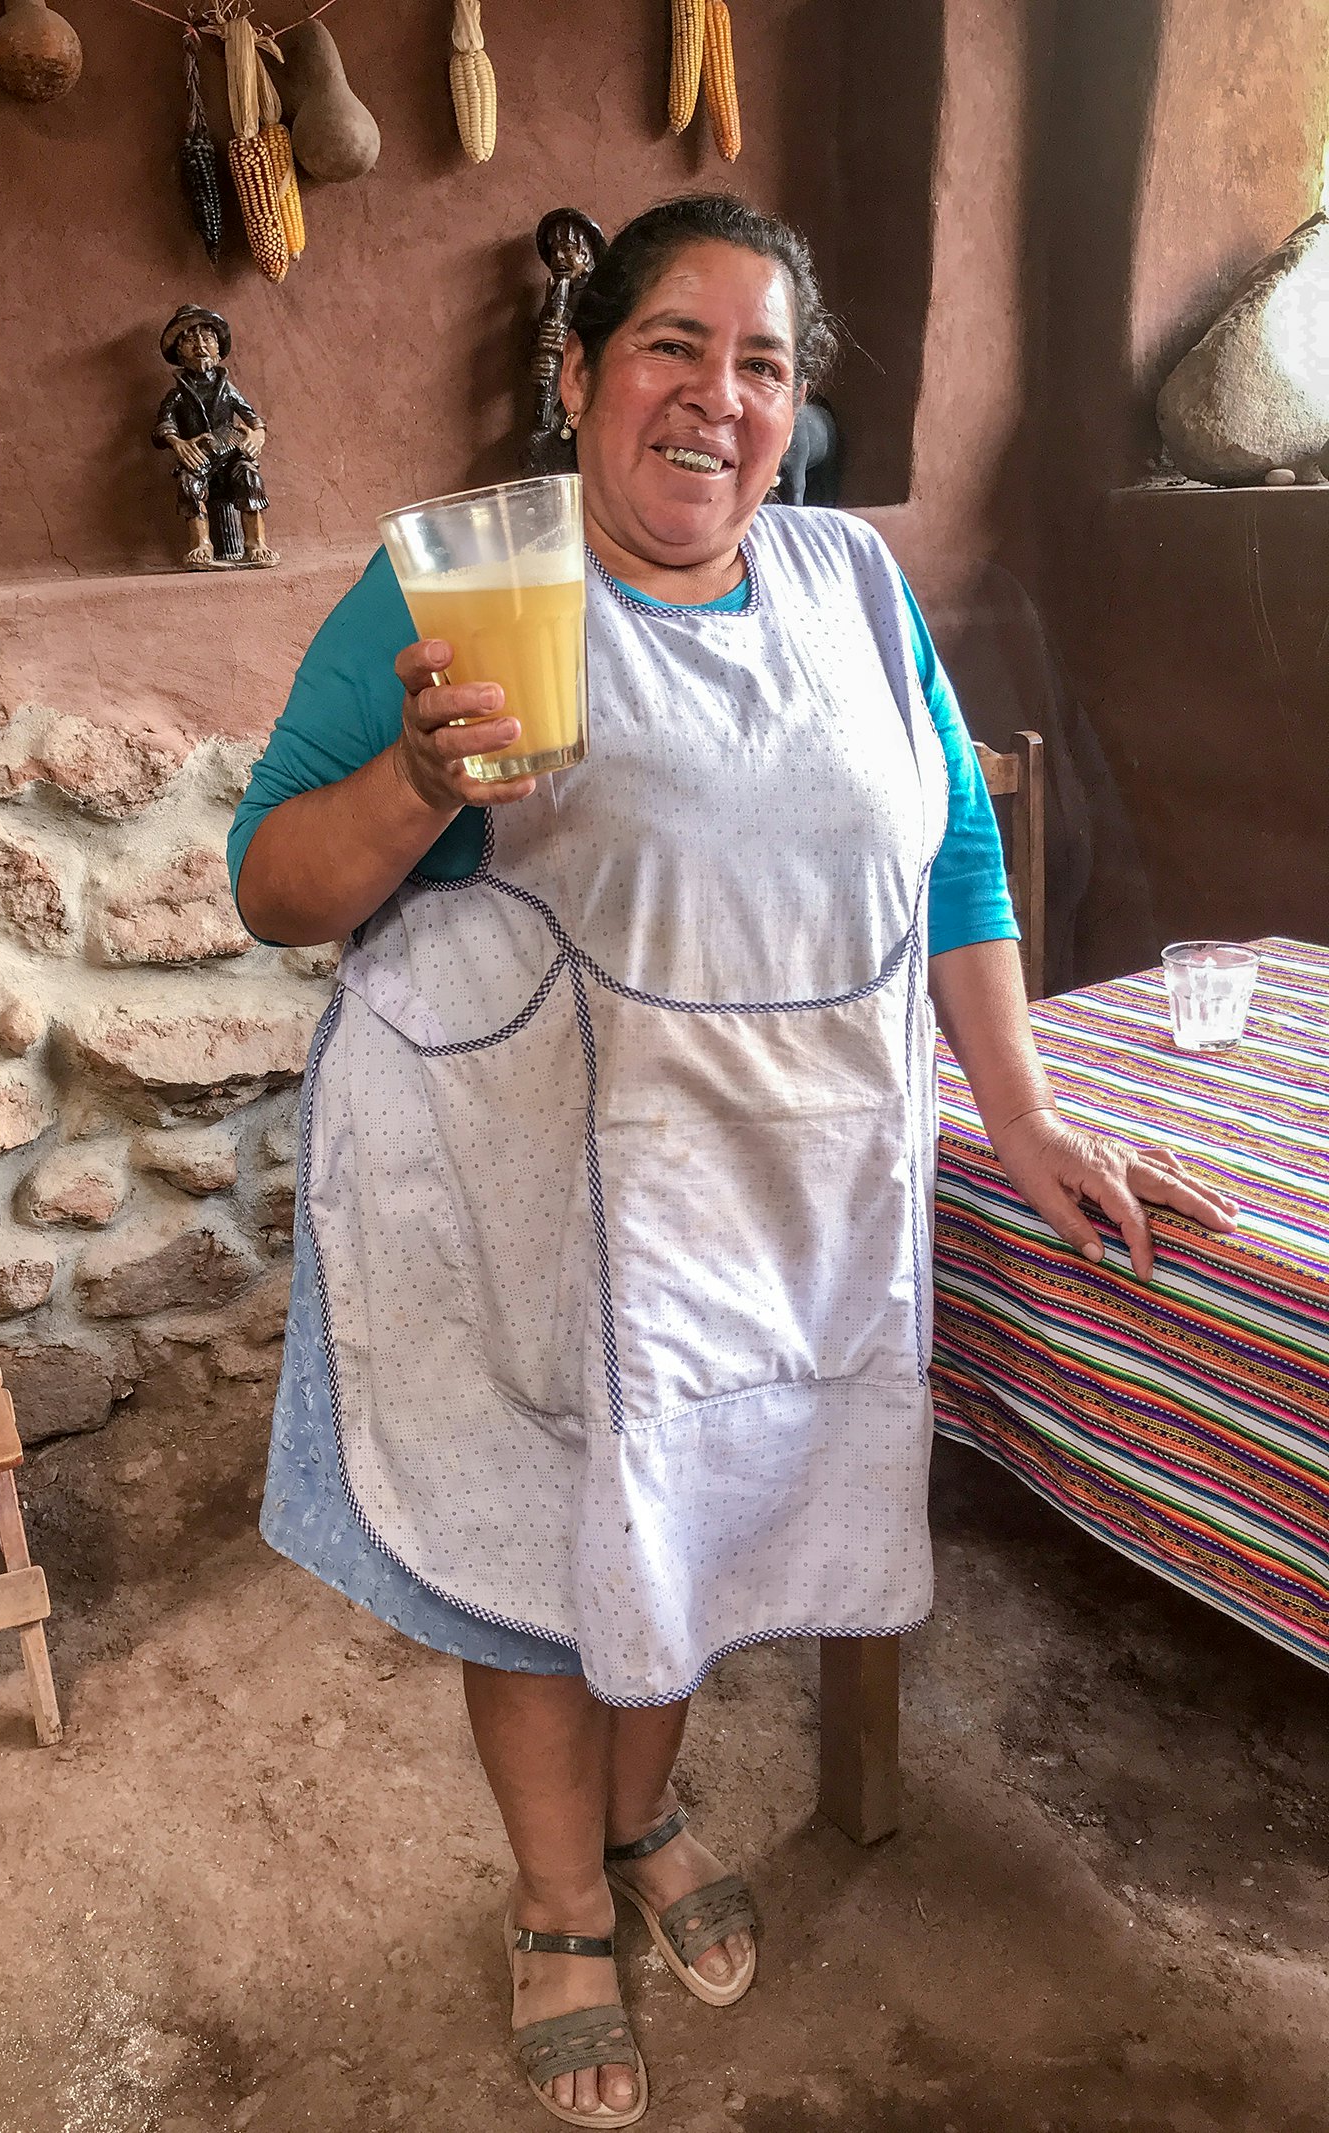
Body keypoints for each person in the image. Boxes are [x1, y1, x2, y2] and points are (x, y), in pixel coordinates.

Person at [228, 195, 1235, 2127]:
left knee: (690, 1501)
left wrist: (1017, 1111)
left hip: (758, 1184)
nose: (718, 396)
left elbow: (950, 847)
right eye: (673, 346)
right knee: (533, 1545)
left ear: (797, 409)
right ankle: (553, 1899)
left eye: (763, 363)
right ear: (584, 373)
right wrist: (418, 783)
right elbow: (274, 881)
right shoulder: (459, 576)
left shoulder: (849, 585)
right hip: (509, 1173)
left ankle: (641, 1815)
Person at [152, 304, 276, 571]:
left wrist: (257, 436)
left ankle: (256, 544)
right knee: (188, 484)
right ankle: (201, 545)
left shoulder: (228, 389)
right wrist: (178, 444)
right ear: (179, 352)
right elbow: (163, 426)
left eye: (207, 339)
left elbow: (254, 419)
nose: (200, 345)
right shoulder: (178, 395)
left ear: (218, 349)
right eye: (190, 340)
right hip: (201, 460)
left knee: (249, 477)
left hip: (231, 458)